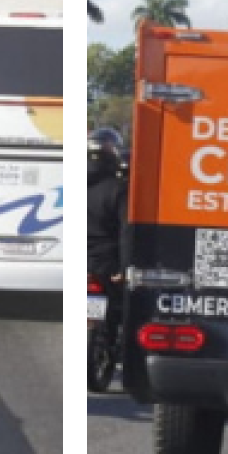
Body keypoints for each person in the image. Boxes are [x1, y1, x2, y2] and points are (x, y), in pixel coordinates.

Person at [86, 128, 129, 344]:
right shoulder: (118, 189)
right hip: (106, 262)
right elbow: (125, 231)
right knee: (121, 307)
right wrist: (123, 267)